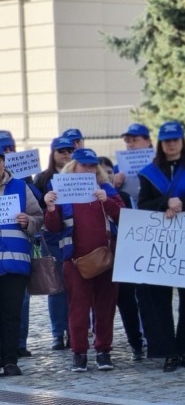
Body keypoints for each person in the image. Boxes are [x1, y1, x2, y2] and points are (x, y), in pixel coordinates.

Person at [137, 121, 185, 371]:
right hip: (160, 243)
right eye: (167, 140)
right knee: (159, 298)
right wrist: (165, 203)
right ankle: (167, 351)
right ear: (160, 143)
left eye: (175, 139)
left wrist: (183, 203)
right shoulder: (149, 172)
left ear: (182, 142)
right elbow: (143, 204)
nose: (171, 144)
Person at [44, 148, 124, 372]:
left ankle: (103, 351)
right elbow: (53, 228)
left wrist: (107, 201)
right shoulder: (62, 189)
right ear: (74, 166)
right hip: (74, 260)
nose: (88, 169)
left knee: (105, 308)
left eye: (92, 165)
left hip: (106, 259)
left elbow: (125, 216)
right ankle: (79, 353)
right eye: (84, 165)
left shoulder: (106, 189)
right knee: (78, 309)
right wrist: (50, 208)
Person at [0, 146, 43, 376]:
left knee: (11, 313)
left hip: (15, 264)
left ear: (3, 163)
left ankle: (9, 361)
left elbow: (39, 218)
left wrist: (28, 221)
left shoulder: (20, 186)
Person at [99, 156, 145, 361]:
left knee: (127, 302)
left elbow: (131, 222)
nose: (108, 175)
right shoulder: (86, 197)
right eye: (103, 172)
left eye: (110, 171)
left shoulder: (123, 196)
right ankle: (100, 347)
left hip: (121, 255)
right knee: (101, 304)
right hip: (97, 256)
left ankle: (136, 343)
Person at [33, 136, 75, 350]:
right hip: (51, 241)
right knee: (56, 288)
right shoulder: (41, 179)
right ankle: (58, 333)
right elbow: (34, 207)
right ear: (53, 154)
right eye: (61, 151)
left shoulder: (81, 176)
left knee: (77, 289)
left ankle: (74, 332)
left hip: (76, 239)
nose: (66, 154)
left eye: (69, 150)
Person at [112, 123, 153, 205]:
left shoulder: (159, 165)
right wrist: (115, 184)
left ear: (148, 141)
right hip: (129, 213)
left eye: (135, 140)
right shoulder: (117, 169)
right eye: (127, 141)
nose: (130, 145)